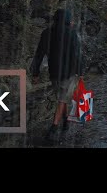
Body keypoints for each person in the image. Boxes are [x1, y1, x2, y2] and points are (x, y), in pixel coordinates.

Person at [30, 9, 83, 142]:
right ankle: (53, 128)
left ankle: (65, 122)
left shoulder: (47, 33)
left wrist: (35, 73)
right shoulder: (72, 34)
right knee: (62, 99)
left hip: (54, 72)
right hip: (68, 73)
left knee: (61, 97)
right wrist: (80, 72)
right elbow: (76, 55)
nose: (72, 22)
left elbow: (39, 54)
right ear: (67, 20)